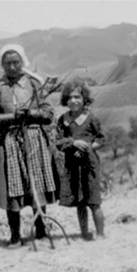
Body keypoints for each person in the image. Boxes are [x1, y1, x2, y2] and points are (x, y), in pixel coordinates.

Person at [0, 44, 60, 248]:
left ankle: (42, 231)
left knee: (38, 184)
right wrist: (12, 116)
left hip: (35, 138)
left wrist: (32, 114)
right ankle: (15, 237)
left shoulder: (34, 84)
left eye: (15, 62)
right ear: (2, 65)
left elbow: (48, 112)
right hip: (9, 139)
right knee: (13, 187)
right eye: (7, 63)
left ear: (22, 62)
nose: (11, 67)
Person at [55, 79, 106, 240]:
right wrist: (73, 143)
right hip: (72, 165)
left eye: (77, 97)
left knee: (93, 200)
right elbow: (58, 142)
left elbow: (101, 139)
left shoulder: (91, 118)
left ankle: (100, 234)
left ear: (84, 99)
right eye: (69, 98)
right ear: (65, 100)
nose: (73, 101)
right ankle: (84, 234)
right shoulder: (63, 120)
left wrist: (88, 148)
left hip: (89, 165)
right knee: (80, 201)